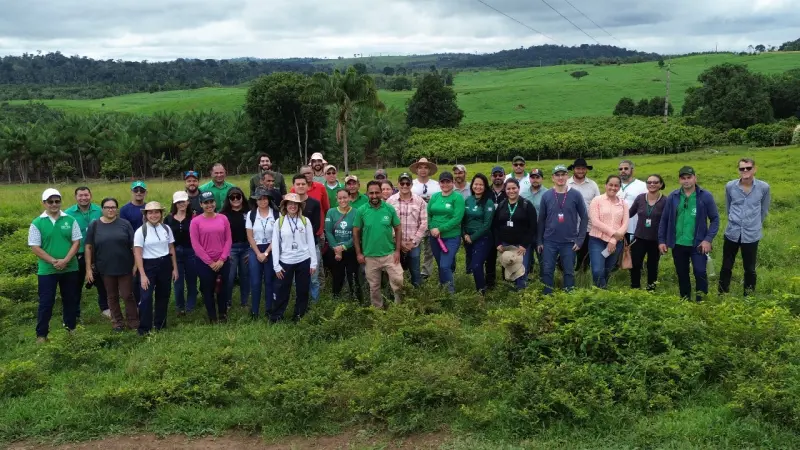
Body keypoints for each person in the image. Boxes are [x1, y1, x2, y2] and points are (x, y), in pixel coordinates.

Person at [658, 166, 720, 302]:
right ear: (679, 180)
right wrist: (662, 240)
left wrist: (708, 239)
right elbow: (664, 219)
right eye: (683, 178)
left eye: (689, 177)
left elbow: (715, 219)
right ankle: (685, 300)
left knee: (700, 272)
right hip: (678, 243)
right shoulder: (673, 197)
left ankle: (701, 301)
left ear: (695, 178)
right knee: (682, 273)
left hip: (698, 244)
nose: (686, 181)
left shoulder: (705, 196)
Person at [28, 189, 82, 343]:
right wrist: (53, 261)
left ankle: (71, 328)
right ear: (44, 203)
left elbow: (76, 242)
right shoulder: (37, 223)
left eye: (57, 201)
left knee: (70, 299)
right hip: (47, 270)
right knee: (46, 302)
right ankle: (42, 334)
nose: (54, 204)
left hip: (70, 268)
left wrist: (65, 260)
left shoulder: (70, 220)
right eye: (50, 201)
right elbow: (35, 247)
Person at [719, 158, 771, 296]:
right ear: (738, 170)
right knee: (726, 265)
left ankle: (749, 295)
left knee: (749, 268)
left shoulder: (764, 187)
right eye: (742, 168)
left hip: (751, 234)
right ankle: (722, 292)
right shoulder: (730, 186)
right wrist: (734, 220)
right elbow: (728, 207)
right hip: (732, 232)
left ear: (754, 169)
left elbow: (763, 210)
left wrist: (753, 224)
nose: (745, 171)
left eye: (748, 168)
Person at [85, 197, 137, 332]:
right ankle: (117, 322)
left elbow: (134, 246)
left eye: (113, 207)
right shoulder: (95, 225)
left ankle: (133, 321)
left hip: (125, 266)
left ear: (117, 209)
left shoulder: (125, 224)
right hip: (105, 268)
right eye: (107, 207)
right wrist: (88, 269)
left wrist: (136, 264)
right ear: (102, 209)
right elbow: (88, 247)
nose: (110, 210)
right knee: (111, 296)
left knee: (127, 295)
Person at [538, 165, 588, 295]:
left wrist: (580, 239)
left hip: (569, 241)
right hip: (550, 240)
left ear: (567, 176)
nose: (560, 178)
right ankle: (547, 296)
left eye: (563, 174)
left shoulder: (575, 195)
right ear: (553, 178)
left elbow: (584, 217)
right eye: (557, 175)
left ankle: (568, 297)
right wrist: (539, 241)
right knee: (547, 270)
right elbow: (541, 220)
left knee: (569, 271)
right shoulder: (546, 195)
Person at [354, 181, 403, 308]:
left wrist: (397, 251)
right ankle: (378, 310)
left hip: (389, 254)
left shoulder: (389, 209)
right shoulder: (361, 210)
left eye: (377, 192)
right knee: (374, 287)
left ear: (381, 193)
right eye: (371, 193)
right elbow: (356, 232)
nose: (374, 196)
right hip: (370, 256)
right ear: (367, 194)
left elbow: (398, 228)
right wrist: (359, 253)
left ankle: (399, 309)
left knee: (398, 282)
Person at [133, 202, 178, 336]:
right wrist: (142, 275)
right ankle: (144, 328)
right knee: (146, 297)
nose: (154, 215)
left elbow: (171, 248)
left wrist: (175, 268)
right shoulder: (141, 231)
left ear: (161, 213)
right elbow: (138, 253)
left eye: (156, 212)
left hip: (165, 263)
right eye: (150, 212)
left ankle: (160, 324)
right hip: (148, 265)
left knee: (163, 295)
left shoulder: (166, 228)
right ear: (146, 215)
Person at [271, 193, 317, 322]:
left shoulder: (305, 221)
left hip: (303, 260)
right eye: (290, 203)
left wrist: (313, 263)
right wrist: (276, 265)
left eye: (295, 204)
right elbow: (275, 245)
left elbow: (311, 242)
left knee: (302, 290)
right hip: (285, 261)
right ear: (285, 206)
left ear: (299, 206)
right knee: (282, 291)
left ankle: (299, 316)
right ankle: (277, 316)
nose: (292, 206)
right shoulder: (279, 222)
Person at [65, 186, 108, 320]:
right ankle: (75, 313)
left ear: (90, 195)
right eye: (80, 195)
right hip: (78, 254)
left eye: (86, 195)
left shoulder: (99, 210)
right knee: (75, 284)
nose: (83, 198)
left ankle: (105, 308)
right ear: (75, 197)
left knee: (102, 282)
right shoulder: (68, 213)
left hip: (98, 253)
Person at [191, 192, 232, 323]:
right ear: (201, 204)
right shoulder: (195, 221)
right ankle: (212, 315)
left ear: (215, 202)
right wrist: (209, 262)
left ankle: (223, 313)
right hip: (204, 262)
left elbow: (228, 239)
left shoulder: (223, 218)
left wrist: (222, 259)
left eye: (211, 202)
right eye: (206, 203)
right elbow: (196, 244)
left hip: (222, 260)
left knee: (223, 288)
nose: (209, 205)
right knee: (207, 289)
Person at [493, 179, 537, 290]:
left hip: (521, 246)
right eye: (508, 188)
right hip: (506, 245)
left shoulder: (526, 205)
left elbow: (533, 227)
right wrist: (498, 243)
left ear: (518, 188)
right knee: (508, 269)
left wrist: (524, 245)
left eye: (514, 188)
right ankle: (510, 296)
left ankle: (521, 296)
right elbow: (495, 226)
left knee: (521, 271)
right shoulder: (502, 205)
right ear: (505, 189)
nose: (511, 191)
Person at [427, 171, 466, 293]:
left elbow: (457, 218)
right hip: (434, 237)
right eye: (442, 182)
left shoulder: (457, 197)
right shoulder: (435, 197)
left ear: (452, 182)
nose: (445, 184)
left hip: (451, 237)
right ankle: (443, 286)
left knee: (444, 266)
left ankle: (450, 293)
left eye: (448, 181)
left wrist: (440, 229)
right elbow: (429, 214)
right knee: (441, 265)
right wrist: (432, 228)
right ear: (439, 183)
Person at [588, 175, 629, 289]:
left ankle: (601, 294)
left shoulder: (623, 203)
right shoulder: (597, 200)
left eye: (616, 185)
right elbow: (595, 221)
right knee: (597, 271)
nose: (613, 187)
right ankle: (602, 293)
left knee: (607, 270)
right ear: (606, 185)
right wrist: (614, 234)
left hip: (616, 243)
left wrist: (613, 240)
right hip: (597, 240)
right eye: (610, 185)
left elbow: (625, 224)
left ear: (619, 187)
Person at [387, 172, 428, 288]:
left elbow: (424, 223)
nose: (405, 186)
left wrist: (414, 241)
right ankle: (398, 296)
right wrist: (398, 241)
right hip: (395, 244)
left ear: (411, 184)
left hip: (413, 244)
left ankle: (416, 296)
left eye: (407, 183)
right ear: (398, 184)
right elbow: (387, 223)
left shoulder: (420, 201)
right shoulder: (390, 201)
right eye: (402, 183)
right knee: (396, 273)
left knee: (415, 272)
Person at [246, 187, 280, 319]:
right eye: (259, 199)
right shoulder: (251, 214)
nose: (262, 201)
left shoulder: (276, 214)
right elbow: (249, 236)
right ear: (255, 201)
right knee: (255, 281)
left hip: (272, 248)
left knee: (270, 280)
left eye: (265, 198)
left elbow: (277, 236)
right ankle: (254, 310)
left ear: (269, 199)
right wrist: (258, 253)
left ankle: (269, 309)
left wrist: (266, 253)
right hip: (255, 248)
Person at [628, 175, 667, 291]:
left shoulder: (665, 201)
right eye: (649, 182)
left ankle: (651, 290)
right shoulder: (640, 198)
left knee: (652, 266)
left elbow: (668, 221)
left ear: (661, 184)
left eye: (655, 182)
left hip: (656, 240)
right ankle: (635, 288)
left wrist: (665, 240)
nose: (652, 184)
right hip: (639, 237)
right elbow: (629, 214)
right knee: (635, 264)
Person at [324, 189, 362, 300]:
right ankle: (336, 299)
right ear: (336, 199)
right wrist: (336, 248)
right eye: (340, 198)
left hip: (351, 250)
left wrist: (344, 247)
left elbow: (357, 233)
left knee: (353, 275)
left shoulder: (356, 212)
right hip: (335, 250)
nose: (342, 200)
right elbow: (328, 231)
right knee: (337, 275)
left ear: (350, 198)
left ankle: (357, 299)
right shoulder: (331, 212)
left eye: (345, 197)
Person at [165, 191, 197, 315]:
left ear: (188, 202)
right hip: (175, 253)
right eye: (178, 202)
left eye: (183, 201)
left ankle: (190, 306)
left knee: (192, 280)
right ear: (174, 204)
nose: (181, 204)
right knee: (177, 281)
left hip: (191, 251)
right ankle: (179, 306)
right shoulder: (168, 218)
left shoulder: (194, 217)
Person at [291, 174, 323, 302]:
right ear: (293, 186)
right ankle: (301, 301)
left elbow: (316, 225)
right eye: (298, 184)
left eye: (303, 184)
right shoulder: (290, 204)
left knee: (313, 278)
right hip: (294, 248)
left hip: (311, 246)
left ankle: (314, 304)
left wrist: (304, 238)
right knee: (296, 279)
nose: (300, 186)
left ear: (307, 186)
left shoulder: (314, 203)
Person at [462, 173, 495, 294]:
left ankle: (481, 292)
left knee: (476, 264)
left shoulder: (489, 203)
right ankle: (479, 287)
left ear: (485, 187)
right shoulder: (467, 201)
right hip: (468, 238)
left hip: (483, 238)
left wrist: (473, 237)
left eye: (481, 184)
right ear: (472, 186)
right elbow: (462, 220)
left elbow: (487, 225)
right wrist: (464, 234)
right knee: (473, 266)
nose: (478, 187)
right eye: (476, 184)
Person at [410, 158, 440, 281]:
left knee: (430, 248)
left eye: (425, 167)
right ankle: (413, 271)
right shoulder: (411, 184)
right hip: (415, 221)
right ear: (416, 169)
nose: (423, 170)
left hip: (432, 220)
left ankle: (426, 272)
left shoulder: (436, 185)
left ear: (429, 169)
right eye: (420, 167)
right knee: (415, 248)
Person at [567, 158, 600, 271]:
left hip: (587, 226)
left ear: (586, 170)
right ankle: (566, 274)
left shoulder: (593, 185)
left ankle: (582, 276)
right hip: (569, 225)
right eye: (578, 168)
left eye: (583, 168)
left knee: (584, 255)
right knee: (566, 254)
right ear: (573, 169)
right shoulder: (566, 183)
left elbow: (597, 204)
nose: (580, 171)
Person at [221, 187, 251, 309]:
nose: (235, 199)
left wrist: (252, 250)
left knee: (245, 276)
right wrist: (225, 252)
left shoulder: (250, 212)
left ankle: (244, 302)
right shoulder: (223, 215)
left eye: (238, 196)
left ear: (242, 197)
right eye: (232, 197)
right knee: (229, 276)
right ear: (228, 199)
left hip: (246, 248)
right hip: (231, 249)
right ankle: (227, 302)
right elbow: (220, 235)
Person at [520, 168, 548, 279]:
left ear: (542, 179)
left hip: (541, 232)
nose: (535, 180)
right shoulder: (523, 194)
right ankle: (523, 285)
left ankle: (545, 284)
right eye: (533, 177)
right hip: (526, 232)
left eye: (537, 177)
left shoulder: (547, 193)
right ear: (530, 179)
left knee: (543, 260)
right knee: (524, 261)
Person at [486, 166, 508, 288]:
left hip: (504, 229)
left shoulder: (509, 191)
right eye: (495, 175)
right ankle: (490, 284)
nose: (498, 177)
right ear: (491, 177)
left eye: (500, 175)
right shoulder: (486, 192)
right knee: (490, 258)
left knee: (505, 257)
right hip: (489, 229)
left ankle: (506, 281)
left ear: (504, 176)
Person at [617, 160, 648, 243]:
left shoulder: (642, 186)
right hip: (616, 226)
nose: (623, 170)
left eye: (626, 168)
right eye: (620, 169)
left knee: (631, 253)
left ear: (632, 170)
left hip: (633, 226)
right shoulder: (614, 185)